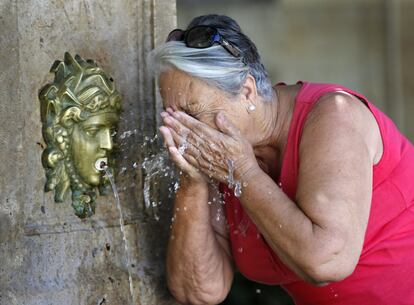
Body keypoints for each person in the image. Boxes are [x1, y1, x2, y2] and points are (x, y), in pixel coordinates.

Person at [150, 14, 414, 305]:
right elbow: (200, 291)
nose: (182, 131)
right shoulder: (218, 157)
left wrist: (243, 172)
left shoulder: (335, 116)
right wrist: (193, 183)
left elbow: (325, 262)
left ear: (247, 91)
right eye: (172, 115)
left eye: (192, 114)